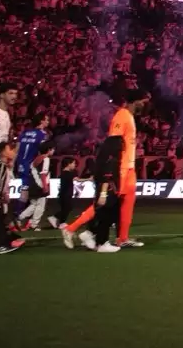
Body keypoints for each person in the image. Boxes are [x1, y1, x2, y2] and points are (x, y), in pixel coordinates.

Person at [61, 92, 149, 253]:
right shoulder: (122, 116)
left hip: (129, 167)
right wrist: (111, 168)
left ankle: (122, 238)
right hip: (121, 168)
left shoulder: (129, 117)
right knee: (108, 202)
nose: (144, 105)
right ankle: (72, 228)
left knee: (127, 203)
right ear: (134, 101)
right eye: (142, 102)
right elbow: (112, 145)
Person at [13, 112, 52, 230]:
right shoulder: (42, 135)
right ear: (41, 121)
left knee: (25, 192)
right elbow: (42, 151)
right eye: (46, 119)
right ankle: (20, 218)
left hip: (21, 164)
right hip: (32, 167)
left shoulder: (24, 133)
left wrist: (13, 164)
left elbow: (16, 150)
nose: (48, 122)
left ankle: (21, 218)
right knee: (37, 196)